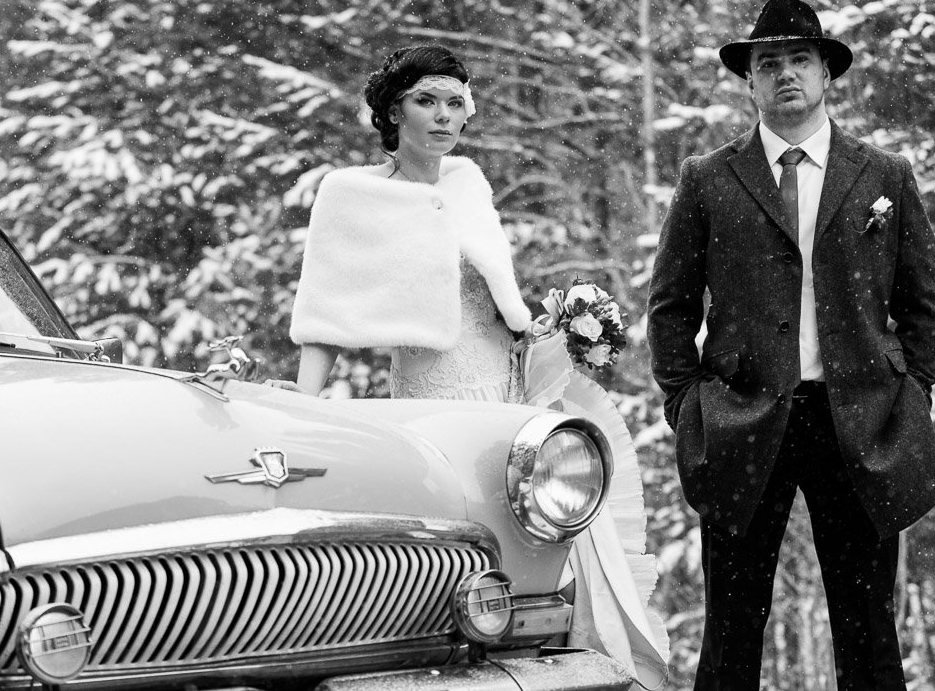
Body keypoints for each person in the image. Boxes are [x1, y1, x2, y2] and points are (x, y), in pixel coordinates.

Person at [284, 45, 669, 689]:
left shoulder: (468, 182)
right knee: (459, 532)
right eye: (426, 101)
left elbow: (494, 295)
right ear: (393, 111)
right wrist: (303, 404)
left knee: (534, 536)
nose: (444, 116)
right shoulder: (352, 196)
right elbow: (327, 313)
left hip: (506, 382)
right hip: (434, 390)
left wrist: (556, 328)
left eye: (455, 102)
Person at [647, 0, 935, 690]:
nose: (786, 74)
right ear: (749, 81)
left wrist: (911, 395)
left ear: (826, 73)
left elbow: (922, 304)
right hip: (742, 419)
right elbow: (670, 306)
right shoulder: (708, 178)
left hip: (861, 421)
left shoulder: (884, 175)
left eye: (800, 60)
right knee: (731, 632)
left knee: (868, 630)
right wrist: (687, 405)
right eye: (769, 63)